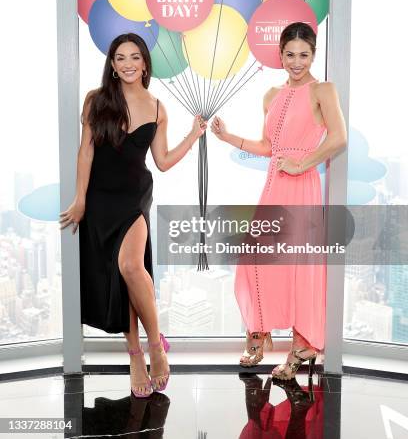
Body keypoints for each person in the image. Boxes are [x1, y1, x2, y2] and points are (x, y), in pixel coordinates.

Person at [59, 32, 206, 397]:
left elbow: (163, 161)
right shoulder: (96, 100)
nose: (127, 64)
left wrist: (193, 136)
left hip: (134, 197)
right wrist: (80, 199)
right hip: (99, 200)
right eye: (120, 57)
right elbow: (86, 153)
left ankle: (155, 346)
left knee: (129, 266)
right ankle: (134, 354)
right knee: (121, 277)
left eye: (135, 57)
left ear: (144, 63)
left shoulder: (157, 107)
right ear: (112, 64)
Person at [210, 21, 347, 380]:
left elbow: (338, 138)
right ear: (281, 55)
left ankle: (300, 348)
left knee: (296, 268)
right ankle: (260, 330)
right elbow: (268, 147)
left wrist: (302, 163)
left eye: (304, 55)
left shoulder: (323, 90)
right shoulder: (271, 95)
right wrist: (229, 138)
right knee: (255, 259)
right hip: (274, 185)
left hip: (301, 187)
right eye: (290, 54)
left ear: (313, 54)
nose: (297, 62)